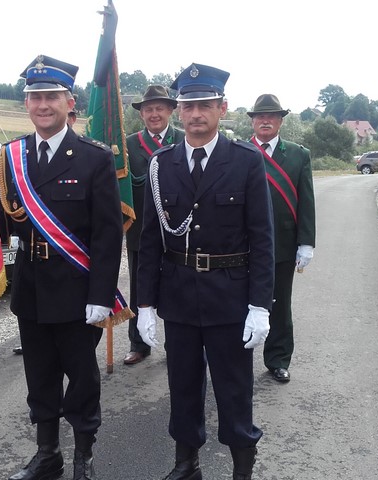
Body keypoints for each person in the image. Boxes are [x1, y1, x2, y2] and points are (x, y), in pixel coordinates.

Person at [137, 64, 275, 480]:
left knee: (234, 387)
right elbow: (150, 240)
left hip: (229, 295)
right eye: (189, 106)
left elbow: (262, 239)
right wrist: (145, 304)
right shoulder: (162, 164)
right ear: (179, 111)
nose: (196, 114)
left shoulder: (245, 161)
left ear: (222, 108)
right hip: (178, 293)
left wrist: (260, 306)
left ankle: (241, 468)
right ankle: (186, 463)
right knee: (182, 383)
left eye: (205, 105)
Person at [0, 54, 123, 480]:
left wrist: (101, 296)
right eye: (35, 97)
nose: (43, 105)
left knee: (82, 378)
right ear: (26, 104)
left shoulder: (93, 157)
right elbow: (3, 220)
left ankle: (83, 454)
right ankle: (47, 454)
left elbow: (107, 235)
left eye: (51, 96)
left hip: (76, 289)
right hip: (31, 286)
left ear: (70, 102)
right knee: (40, 375)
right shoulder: (12, 156)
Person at [247, 94, 316, 383]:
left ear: (280, 121)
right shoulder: (240, 152)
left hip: (283, 244)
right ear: (252, 121)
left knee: (279, 303)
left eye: (272, 116)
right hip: (243, 244)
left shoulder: (299, 155)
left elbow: (306, 201)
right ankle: (236, 358)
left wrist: (306, 242)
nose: (266, 121)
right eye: (260, 116)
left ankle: (277, 359)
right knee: (238, 303)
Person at [122, 84, 184, 366]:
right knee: (139, 288)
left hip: (178, 233)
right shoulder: (127, 145)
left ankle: (176, 344)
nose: (154, 114)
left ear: (170, 110)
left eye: (160, 108)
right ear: (141, 114)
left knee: (176, 289)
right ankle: (139, 344)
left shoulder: (184, 139)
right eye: (148, 109)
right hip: (140, 234)